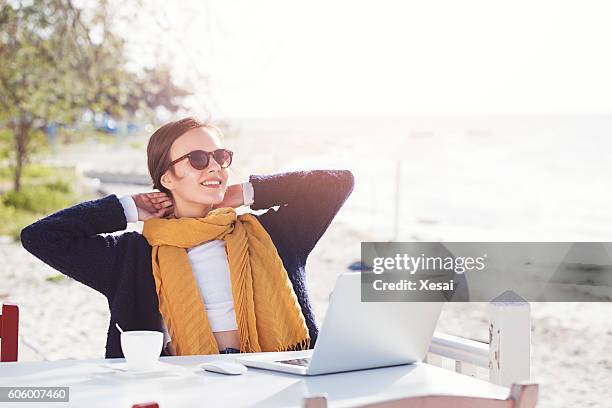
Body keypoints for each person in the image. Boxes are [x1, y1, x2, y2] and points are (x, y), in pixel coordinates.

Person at [20, 117, 355, 358]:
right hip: (179, 390)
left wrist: (248, 192)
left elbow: (337, 183)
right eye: (198, 159)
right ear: (167, 177)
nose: (214, 167)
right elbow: (42, 237)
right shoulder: (132, 255)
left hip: (275, 380)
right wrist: (127, 208)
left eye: (221, 158)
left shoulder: (273, 235)